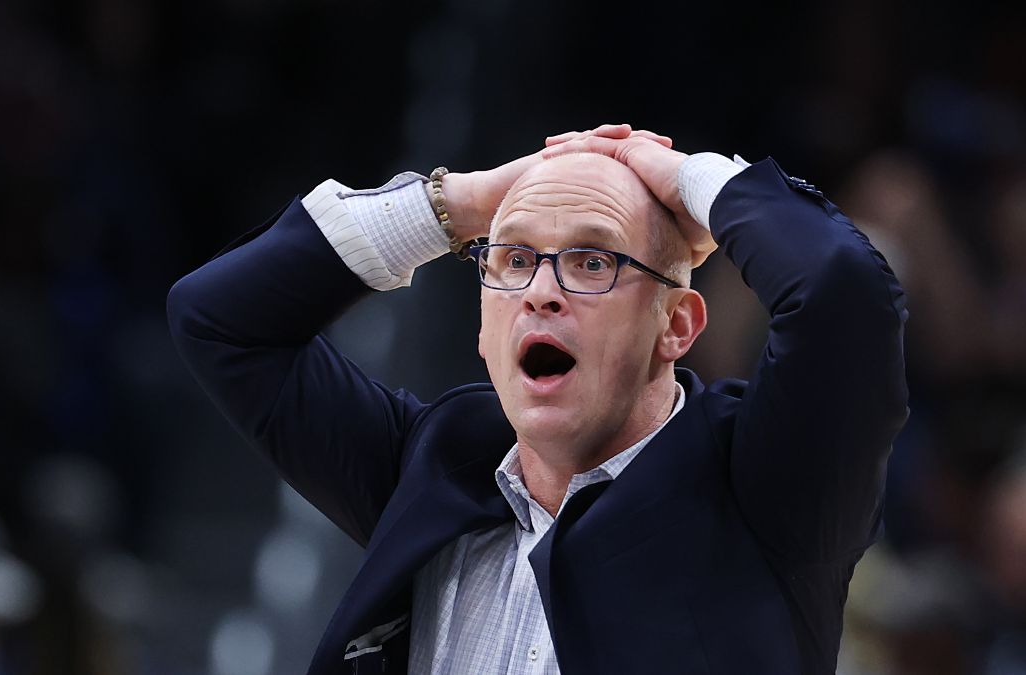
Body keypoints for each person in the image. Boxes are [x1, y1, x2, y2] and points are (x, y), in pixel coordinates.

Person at [167, 123, 909, 674]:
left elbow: (844, 291)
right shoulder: (433, 465)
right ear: (483, 328)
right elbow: (221, 319)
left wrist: (689, 179)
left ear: (676, 326)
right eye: (516, 258)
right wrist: (462, 203)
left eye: (593, 260)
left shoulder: (768, 488)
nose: (541, 292)